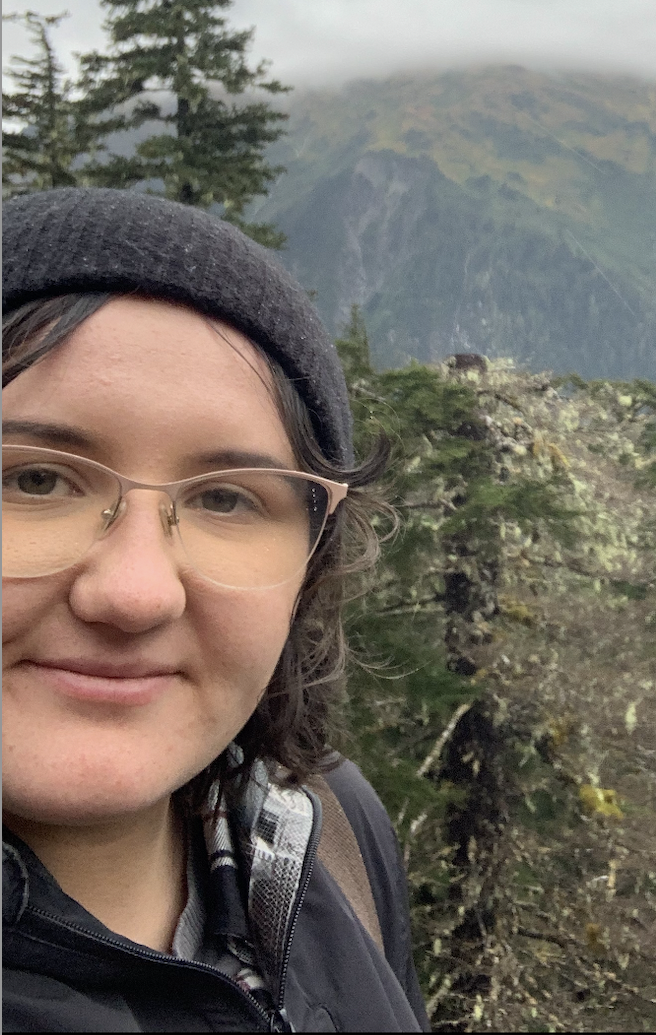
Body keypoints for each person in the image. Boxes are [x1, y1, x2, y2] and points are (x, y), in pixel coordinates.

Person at [2, 187, 430, 1033]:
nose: (135, 593)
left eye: (227, 500)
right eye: (35, 479)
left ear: (312, 559)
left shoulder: (325, 833)